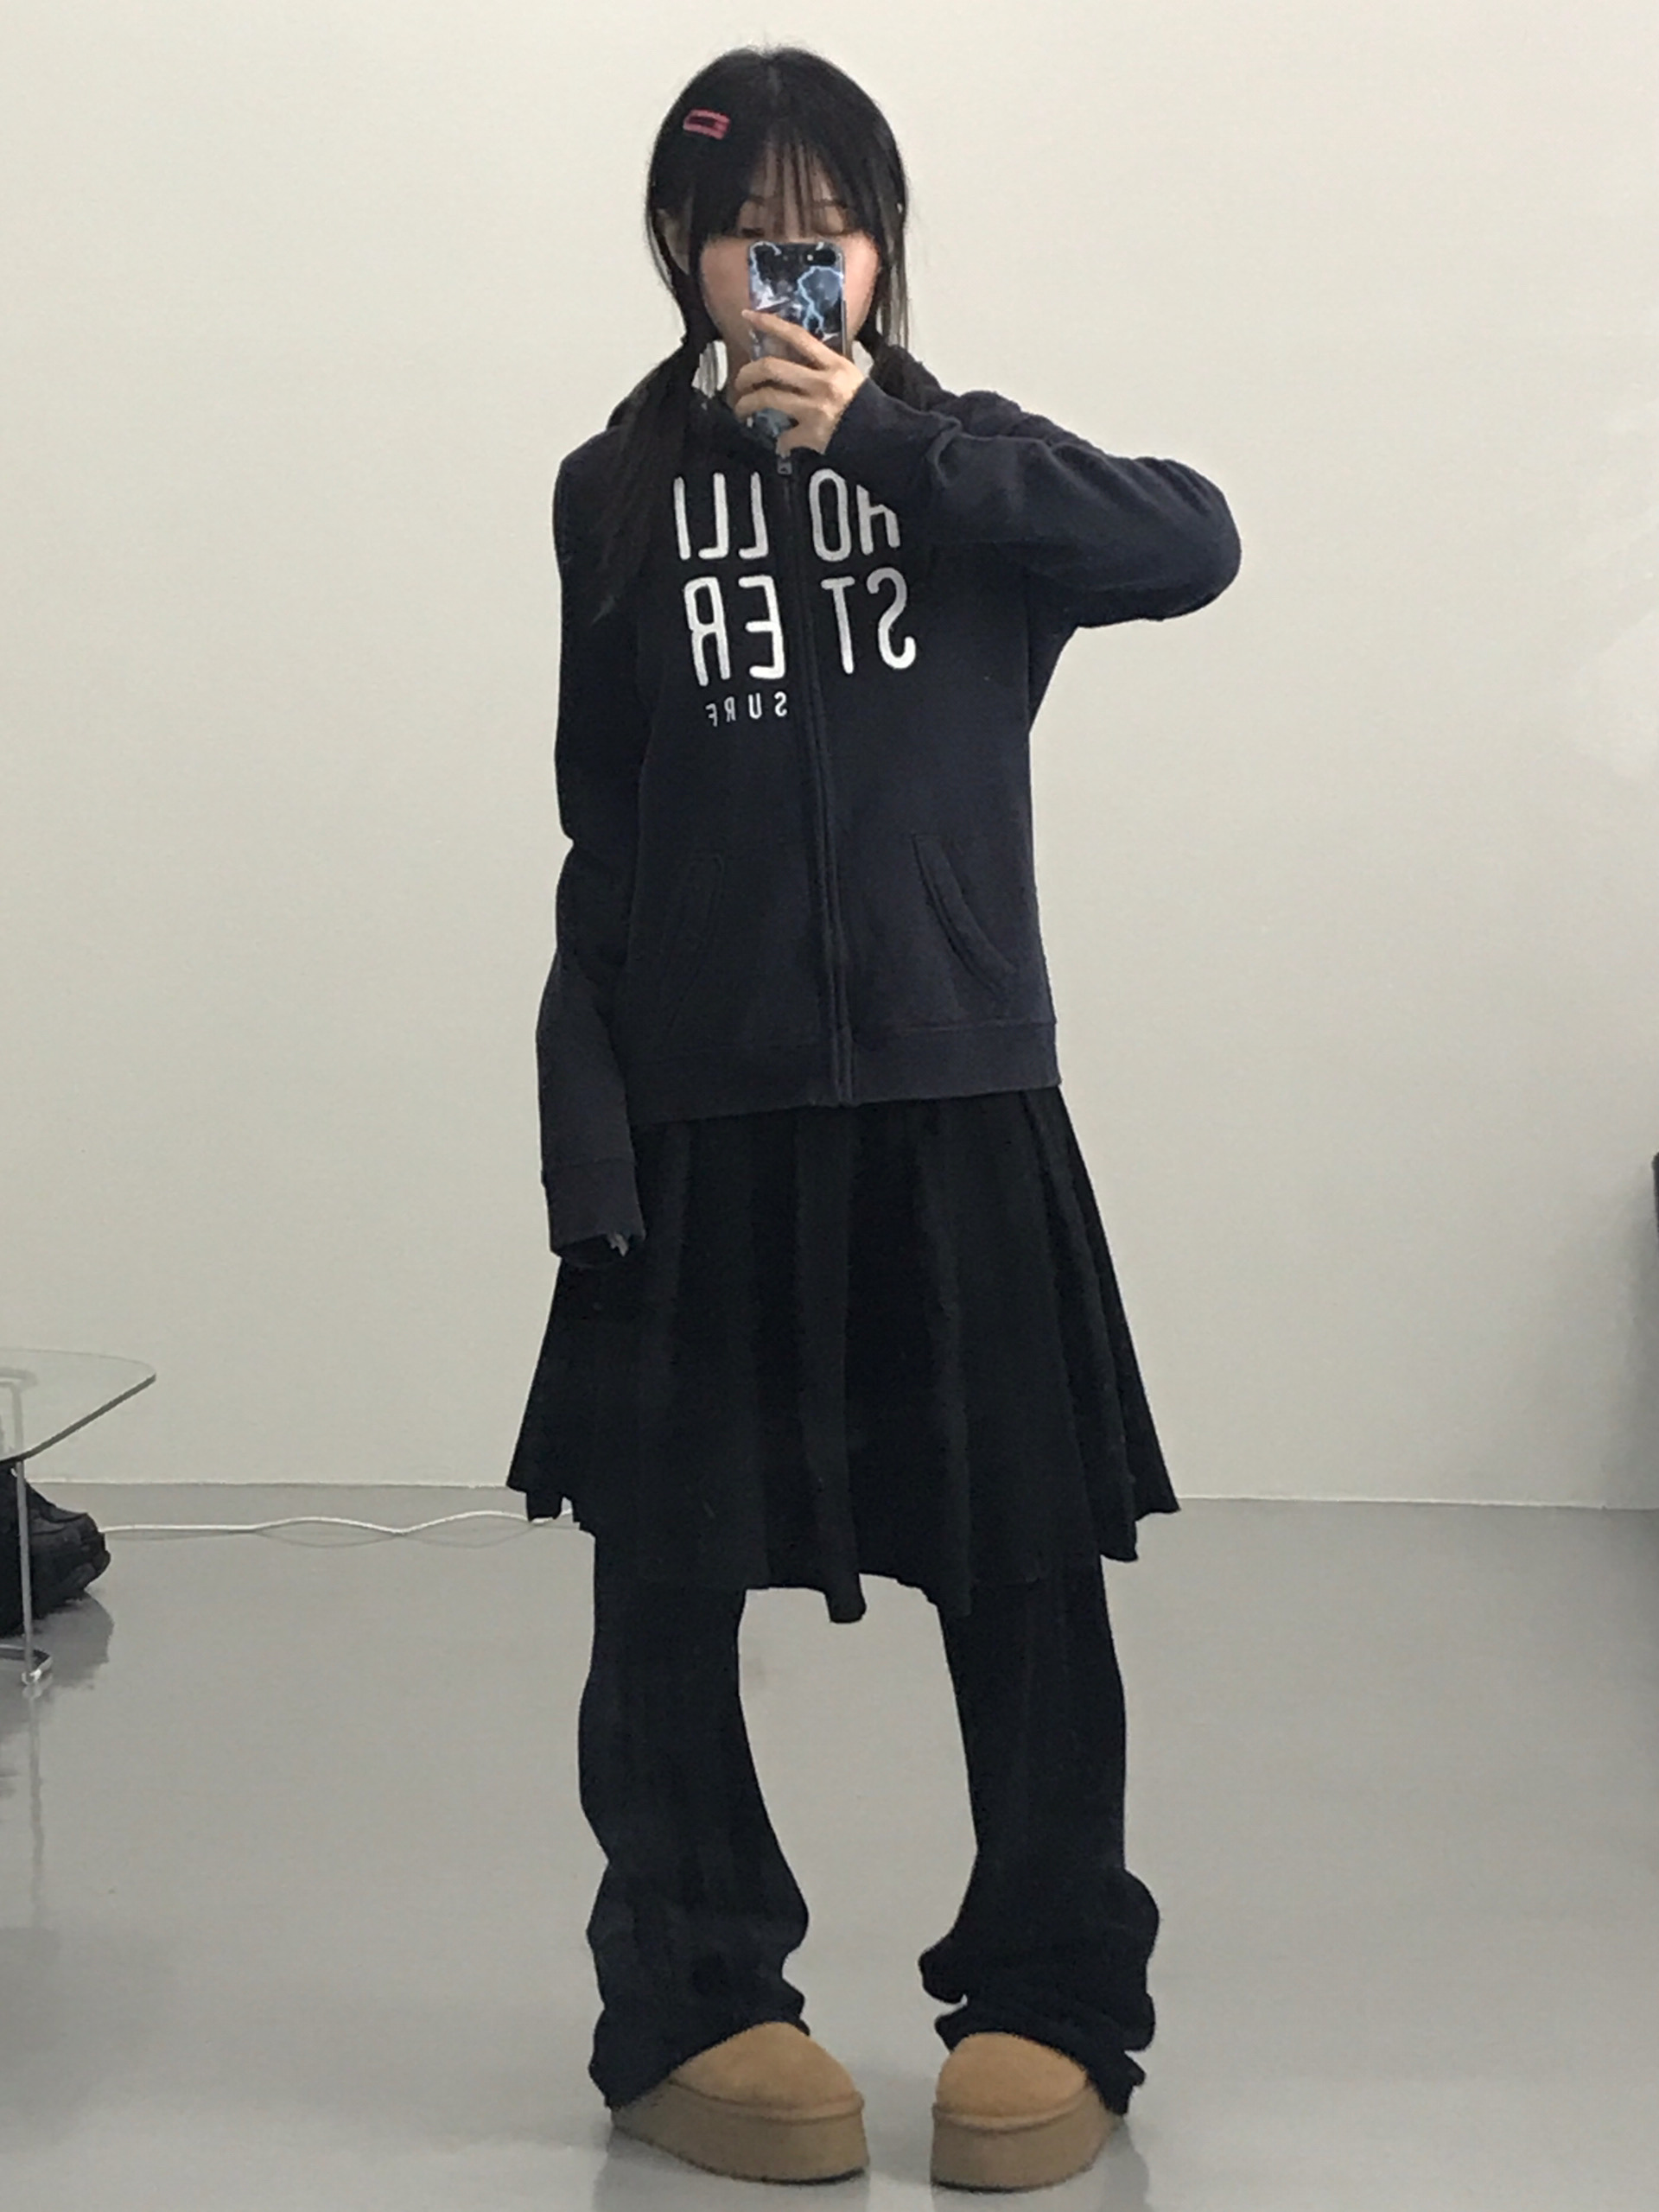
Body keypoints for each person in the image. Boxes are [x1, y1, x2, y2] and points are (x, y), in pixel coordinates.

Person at [505, 41, 1242, 2192]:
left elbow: (1193, 541)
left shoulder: (970, 467)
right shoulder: (611, 492)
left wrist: (896, 446)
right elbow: (603, 831)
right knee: (661, 1593)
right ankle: (690, 1994)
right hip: (704, 1117)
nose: (795, 266)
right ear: (681, 249)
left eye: (833, 229)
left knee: (1027, 1575)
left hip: (957, 1100)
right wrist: (586, 1129)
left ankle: (1051, 1995)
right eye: (753, 232)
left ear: (889, 248)